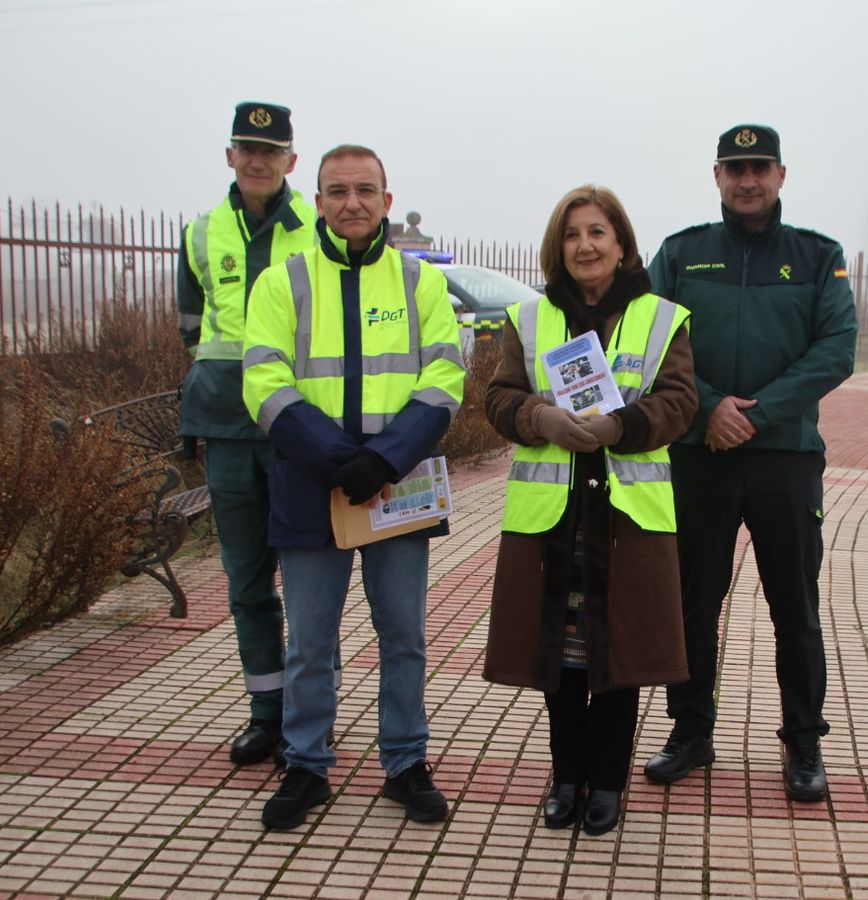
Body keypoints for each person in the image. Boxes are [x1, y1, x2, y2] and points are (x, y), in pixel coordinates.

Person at [242, 145, 466, 830]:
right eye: (336, 190)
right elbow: (262, 380)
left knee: (404, 636)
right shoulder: (283, 281)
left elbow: (446, 374)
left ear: (387, 201)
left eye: (365, 189)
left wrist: (385, 460)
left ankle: (405, 762)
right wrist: (342, 458)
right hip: (314, 485)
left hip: (396, 488)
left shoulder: (419, 281)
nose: (352, 202)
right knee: (310, 641)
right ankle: (305, 764)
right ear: (317, 201)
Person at [644, 124, 858, 802]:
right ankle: (690, 732)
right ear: (716, 177)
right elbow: (650, 341)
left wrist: (755, 413)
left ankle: (803, 744)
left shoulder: (818, 257)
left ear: (781, 175)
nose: (747, 180)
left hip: (785, 461)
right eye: (735, 169)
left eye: (759, 167)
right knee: (690, 605)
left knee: (794, 607)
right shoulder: (682, 254)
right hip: (699, 456)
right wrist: (709, 409)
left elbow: (836, 349)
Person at [481, 186, 697, 837]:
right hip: (553, 523)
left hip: (626, 523)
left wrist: (620, 426)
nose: (585, 245)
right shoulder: (530, 318)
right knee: (564, 661)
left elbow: (680, 403)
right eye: (573, 234)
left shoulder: (664, 318)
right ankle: (566, 779)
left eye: (598, 232)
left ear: (623, 243)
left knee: (618, 660)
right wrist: (540, 416)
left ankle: (607, 785)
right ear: (558, 247)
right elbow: (499, 399)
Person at [178, 102, 317, 766]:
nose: (258, 160)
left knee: (311, 581)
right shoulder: (200, 233)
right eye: (246, 148)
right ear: (230, 155)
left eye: (272, 150)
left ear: (291, 159)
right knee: (246, 582)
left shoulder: (319, 229)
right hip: (227, 428)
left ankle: (308, 720)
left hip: (297, 427)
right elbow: (192, 329)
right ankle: (266, 713)